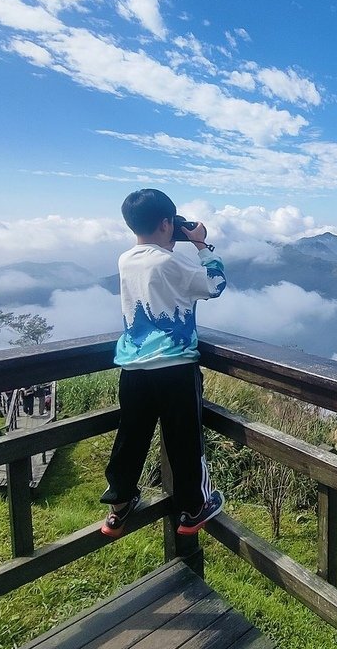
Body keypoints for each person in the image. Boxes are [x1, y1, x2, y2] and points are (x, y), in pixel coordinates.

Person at [100, 188, 227, 538]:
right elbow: (215, 285)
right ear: (167, 223)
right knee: (184, 441)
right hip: (174, 368)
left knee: (132, 436)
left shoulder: (125, 260)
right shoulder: (174, 262)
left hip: (134, 369)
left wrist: (170, 239)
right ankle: (194, 508)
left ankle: (119, 506)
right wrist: (201, 245)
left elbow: (155, 268)